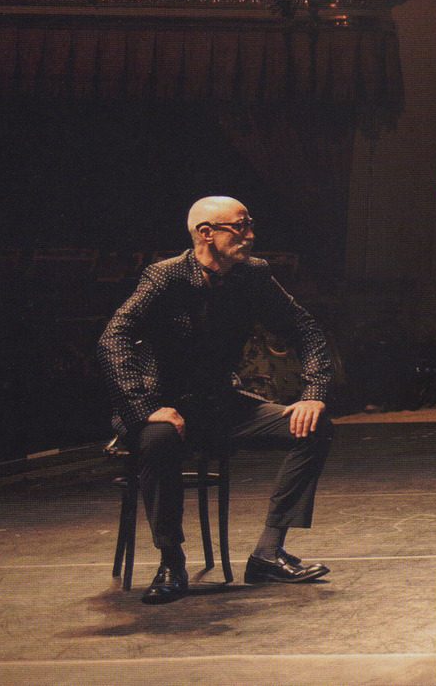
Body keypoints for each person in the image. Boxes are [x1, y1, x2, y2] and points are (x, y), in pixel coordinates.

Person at [97, 195, 333, 603]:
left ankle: (268, 551)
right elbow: (113, 339)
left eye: (250, 225)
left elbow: (306, 330)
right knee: (159, 438)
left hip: (220, 405)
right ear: (206, 233)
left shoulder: (252, 274)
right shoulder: (165, 277)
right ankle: (171, 561)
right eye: (240, 227)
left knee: (314, 428)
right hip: (162, 407)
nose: (250, 235)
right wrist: (145, 408)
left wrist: (312, 395)